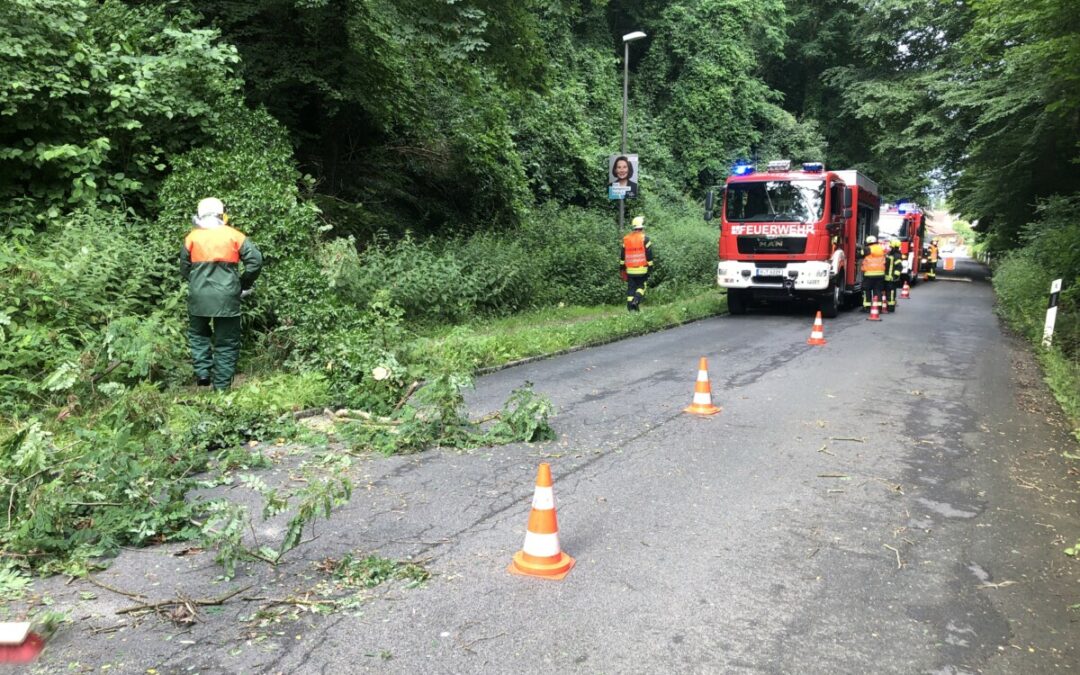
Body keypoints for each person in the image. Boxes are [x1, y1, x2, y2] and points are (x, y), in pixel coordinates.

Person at [180, 197, 263, 390]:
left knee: (198, 334)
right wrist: (243, 284)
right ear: (221, 213)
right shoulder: (234, 235)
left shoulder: (192, 237)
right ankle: (221, 389)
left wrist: (196, 284)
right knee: (226, 343)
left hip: (198, 297)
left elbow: (184, 268)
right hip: (227, 298)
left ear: (199, 215)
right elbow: (255, 261)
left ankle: (202, 373)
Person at [620, 215, 653, 311]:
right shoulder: (645, 239)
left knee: (631, 288)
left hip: (630, 270)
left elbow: (622, 256)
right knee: (642, 286)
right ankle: (636, 300)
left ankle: (631, 309)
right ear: (642, 227)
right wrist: (650, 267)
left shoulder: (626, 239)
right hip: (642, 269)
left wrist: (622, 267)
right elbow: (649, 255)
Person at [860, 235, 886, 312]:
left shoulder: (867, 249)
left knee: (866, 290)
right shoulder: (881, 248)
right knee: (878, 290)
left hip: (869, 274)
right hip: (880, 274)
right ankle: (879, 307)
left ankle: (867, 307)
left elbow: (859, 254)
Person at [883, 239, 904, 312]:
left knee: (891, 293)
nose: (890, 248)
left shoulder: (897, 255)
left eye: (891, 247)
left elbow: (899, 267)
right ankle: (887, 306)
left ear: (894, 247)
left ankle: (891, 307)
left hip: (891, 278)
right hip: (887, 278)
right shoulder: (890, 254)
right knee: (888, 292)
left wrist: (894, 276)